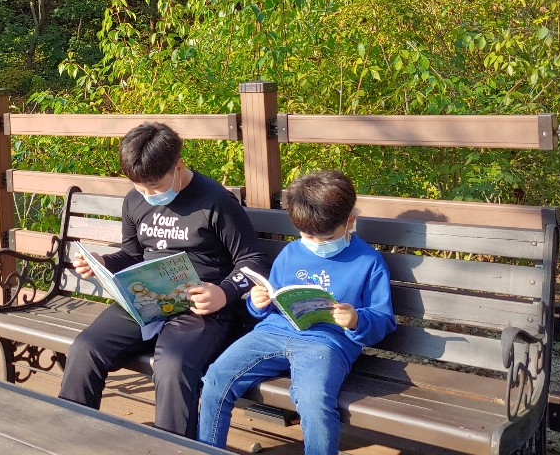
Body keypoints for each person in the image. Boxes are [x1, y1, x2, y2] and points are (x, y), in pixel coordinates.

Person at [57, 121, 268, 438]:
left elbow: (253, 261)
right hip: (145, 299)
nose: (147, 194)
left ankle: (174, 446)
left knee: (172, 365)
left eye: (154, 187)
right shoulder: (135, 199)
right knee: (86, 348)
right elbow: (131, 255)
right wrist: (102, 262)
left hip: (201, 308)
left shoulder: (216, 202)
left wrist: (223, 293)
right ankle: (68, 438)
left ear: (179, 166)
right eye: (140, 187)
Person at [197, 170, 396, 454]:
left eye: (326, 236)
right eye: (306, 235)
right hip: (272, 332)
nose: (315, 243)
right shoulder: (291, 253)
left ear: (350, 221)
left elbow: (384, 320)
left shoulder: (368, 262)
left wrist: (356, 319)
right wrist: (258, 301)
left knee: (313, 401)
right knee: (216, 378)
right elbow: (271, 302)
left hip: (325, 343)